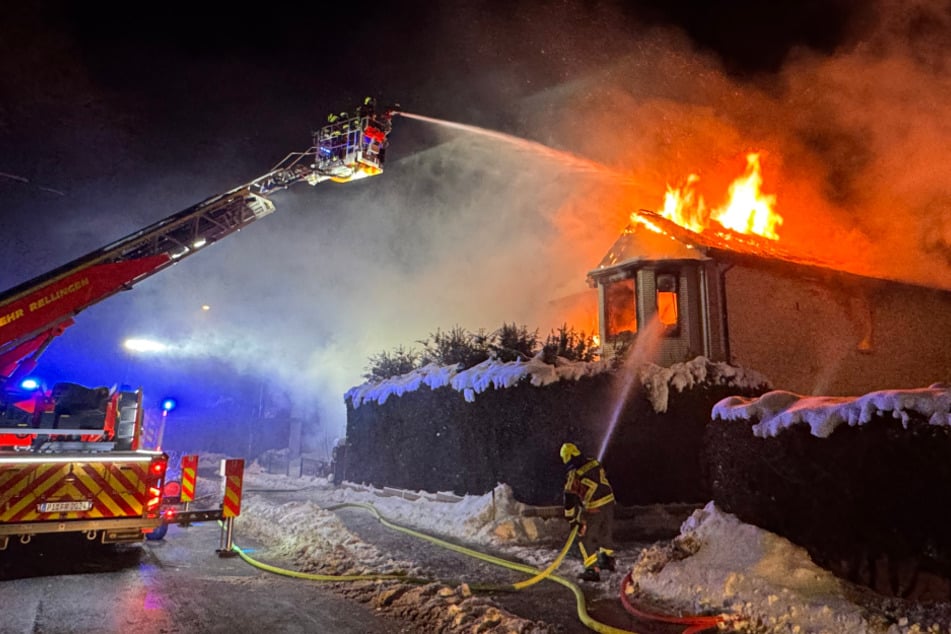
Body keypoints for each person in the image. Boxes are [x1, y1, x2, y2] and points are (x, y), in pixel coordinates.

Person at [561, 441, 616, 581]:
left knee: (585, 536)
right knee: (605, 531)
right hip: (609, 501)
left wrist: (573, 521)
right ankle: (607, 560)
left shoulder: (574, 474)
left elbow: (569, 498)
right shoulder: (594, 462)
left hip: (594, 506)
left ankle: (592, 570)